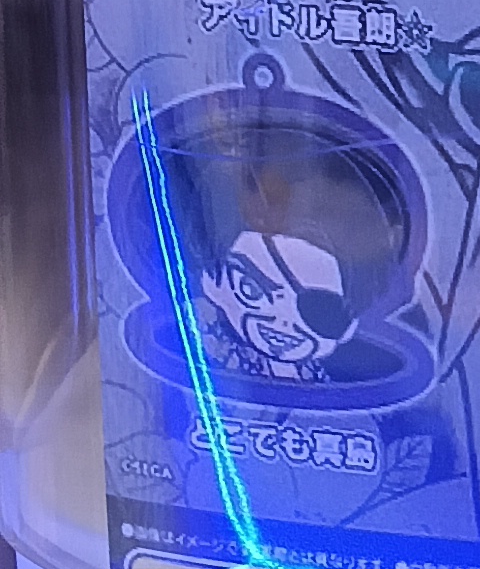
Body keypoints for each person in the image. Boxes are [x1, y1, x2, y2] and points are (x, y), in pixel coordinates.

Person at [136, 96, 425, 391]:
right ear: (213, 283)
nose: (283, 322)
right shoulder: (198, 335)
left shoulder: (379, 358)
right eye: (251, 290)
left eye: (320, 312)